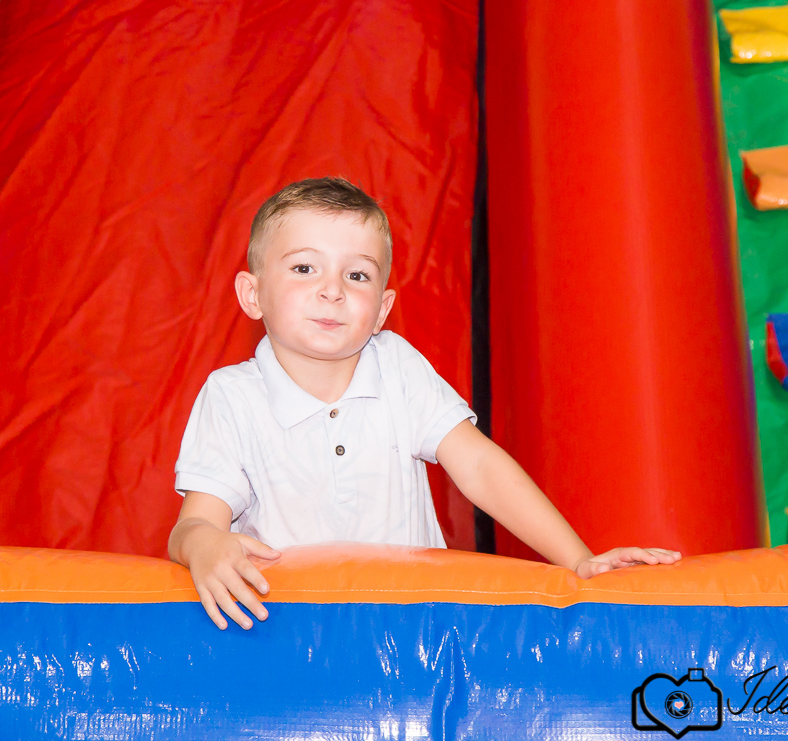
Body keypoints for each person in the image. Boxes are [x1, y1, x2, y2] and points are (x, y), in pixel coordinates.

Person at [169, 177, 680, 630]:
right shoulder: (231, 396)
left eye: (357, 275)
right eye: (305, 268)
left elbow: (480, 466)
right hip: (291, 632)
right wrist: (204, 545)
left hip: (414, 630)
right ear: (252, 294)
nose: (332, 291)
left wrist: (579, 559)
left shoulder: (396, 367)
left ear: (382, 310)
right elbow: (194, 524)